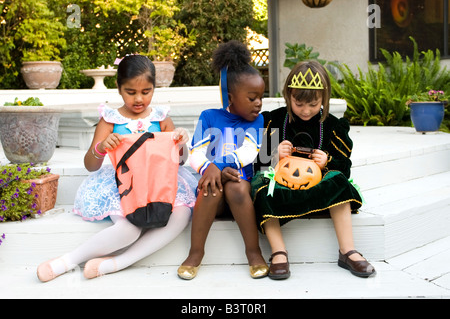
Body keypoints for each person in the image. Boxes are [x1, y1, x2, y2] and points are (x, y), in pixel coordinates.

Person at [37, 54, 197, 282]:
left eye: (146, 91)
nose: (139, 98)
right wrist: (102, 147)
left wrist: (181, 143)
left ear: (154, 88)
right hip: (124, 184)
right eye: (131, 92)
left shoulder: (161, 118)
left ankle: (118, 263)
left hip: (158, 182)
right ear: (119, 88)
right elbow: (90, 165)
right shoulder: (111, 120)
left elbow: (178, 161)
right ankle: (67, 261)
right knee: (129, 228)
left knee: (181, 214)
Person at [251, 60, 375, 279]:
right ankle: (279, 251)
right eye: (299, 104)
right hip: (282, 188)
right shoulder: (275, 120)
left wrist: (326, 161)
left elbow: (345, 168)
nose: (306, 110)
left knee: (337, 180)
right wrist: (273, 154)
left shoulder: (333, 126)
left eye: (313, 104)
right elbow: (257, 165)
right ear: (288, 95)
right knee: (262, 185)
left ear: (324, 100)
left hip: (318, 189)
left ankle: (347, 250)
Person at [177, 41, 268, 280]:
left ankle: (254, 252)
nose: (258, 103)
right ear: (231, 97)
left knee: (236, 186)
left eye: (261, 96)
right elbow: (195, 152)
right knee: (209, 186)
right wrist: (210, 168)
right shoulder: (209, 117)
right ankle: (195, 253)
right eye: (252, 98)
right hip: (213, 187)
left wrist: (220, 165)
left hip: (240, 184)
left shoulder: (256, 121)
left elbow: (249, 151)